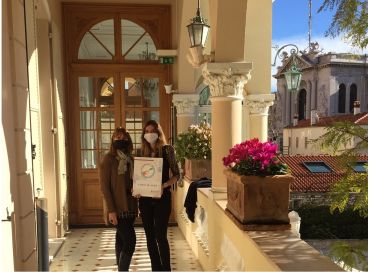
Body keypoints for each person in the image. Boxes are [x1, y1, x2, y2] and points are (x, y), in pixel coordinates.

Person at [138, 120, 180, 271]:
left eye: (152, 131)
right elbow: (137, 177)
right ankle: (156, 268)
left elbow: (177, 175)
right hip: (144, 200)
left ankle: (166, 269)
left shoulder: (167, 150)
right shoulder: (140, 152)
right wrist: (137, 189)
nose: (149, 134)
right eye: (147, 131)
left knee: (161, 236)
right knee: (149, 237)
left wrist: (163, 186)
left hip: (163, 198)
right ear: (144, 135)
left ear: (158, 132)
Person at [99, 127, 137, 271]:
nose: (120, 140)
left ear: (128, 140)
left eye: (123, 138)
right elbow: (105, 188)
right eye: (117, 138)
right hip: (117, 208)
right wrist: (111, 211)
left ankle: (121, 268)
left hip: (130, 206)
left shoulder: (131, 159)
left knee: (121, 239)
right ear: (112, 140)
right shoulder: (108, 159)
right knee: (131, 240)